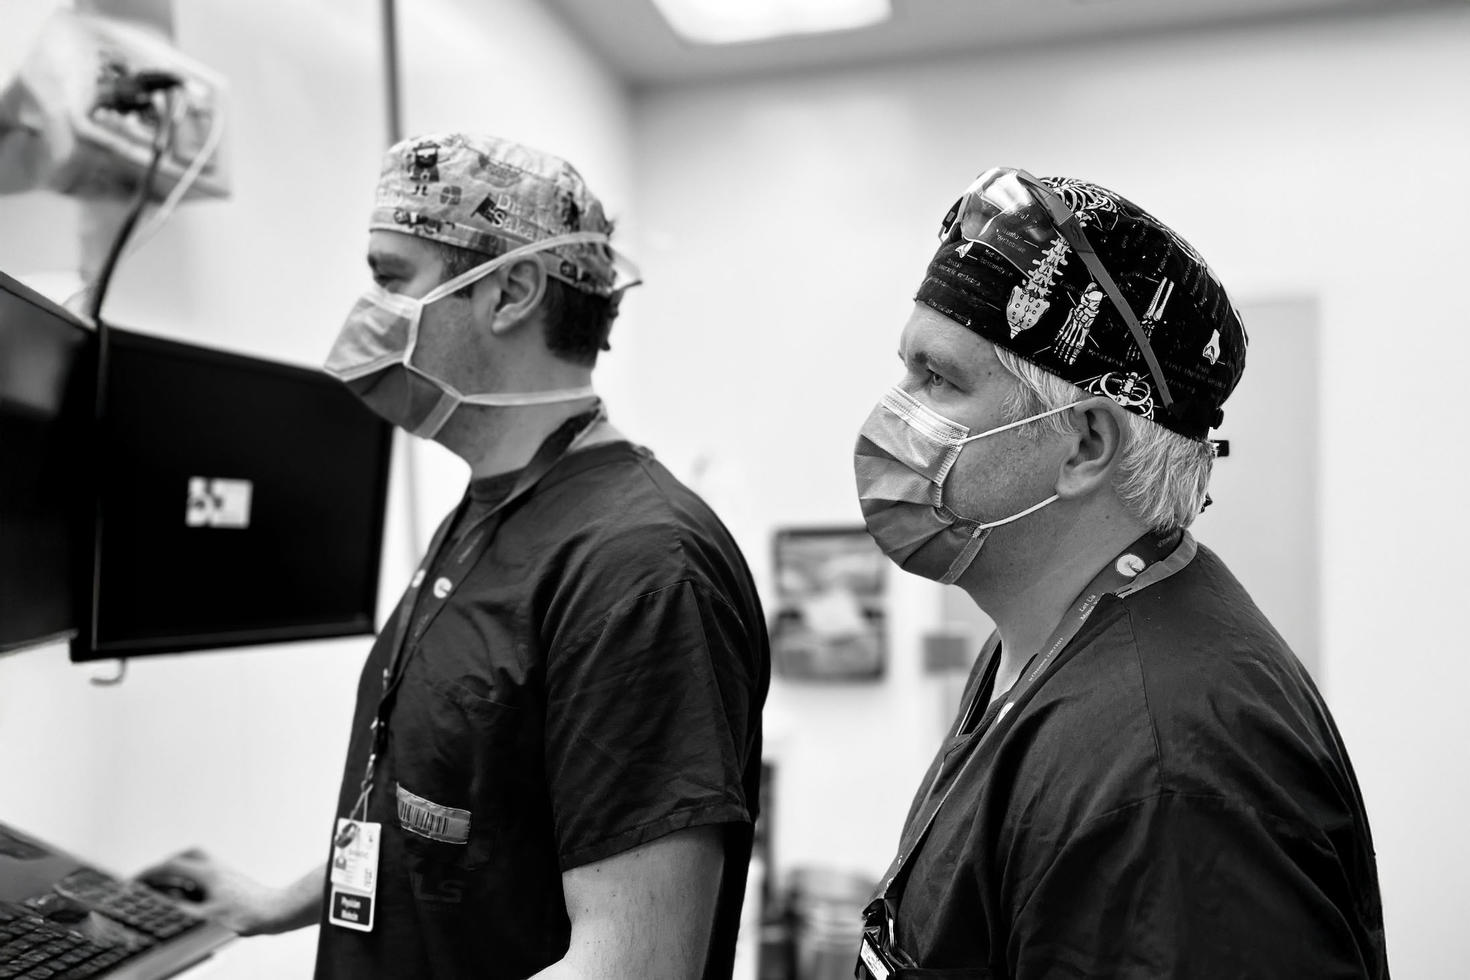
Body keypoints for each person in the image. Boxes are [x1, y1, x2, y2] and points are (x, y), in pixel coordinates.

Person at [143, 133, 770, 979]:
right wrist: (274, 904)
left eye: (391, 278)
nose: (368, 311)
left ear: (510, 291)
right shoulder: (495, 506)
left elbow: (635, 967)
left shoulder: (642, 569)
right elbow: (458, 813)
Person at [851, 167, 1387, 978]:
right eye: (906, 371)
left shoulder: (1167, 772)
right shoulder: (1041, 643)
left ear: (1087, 444)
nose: (893, 414)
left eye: (939, 379)